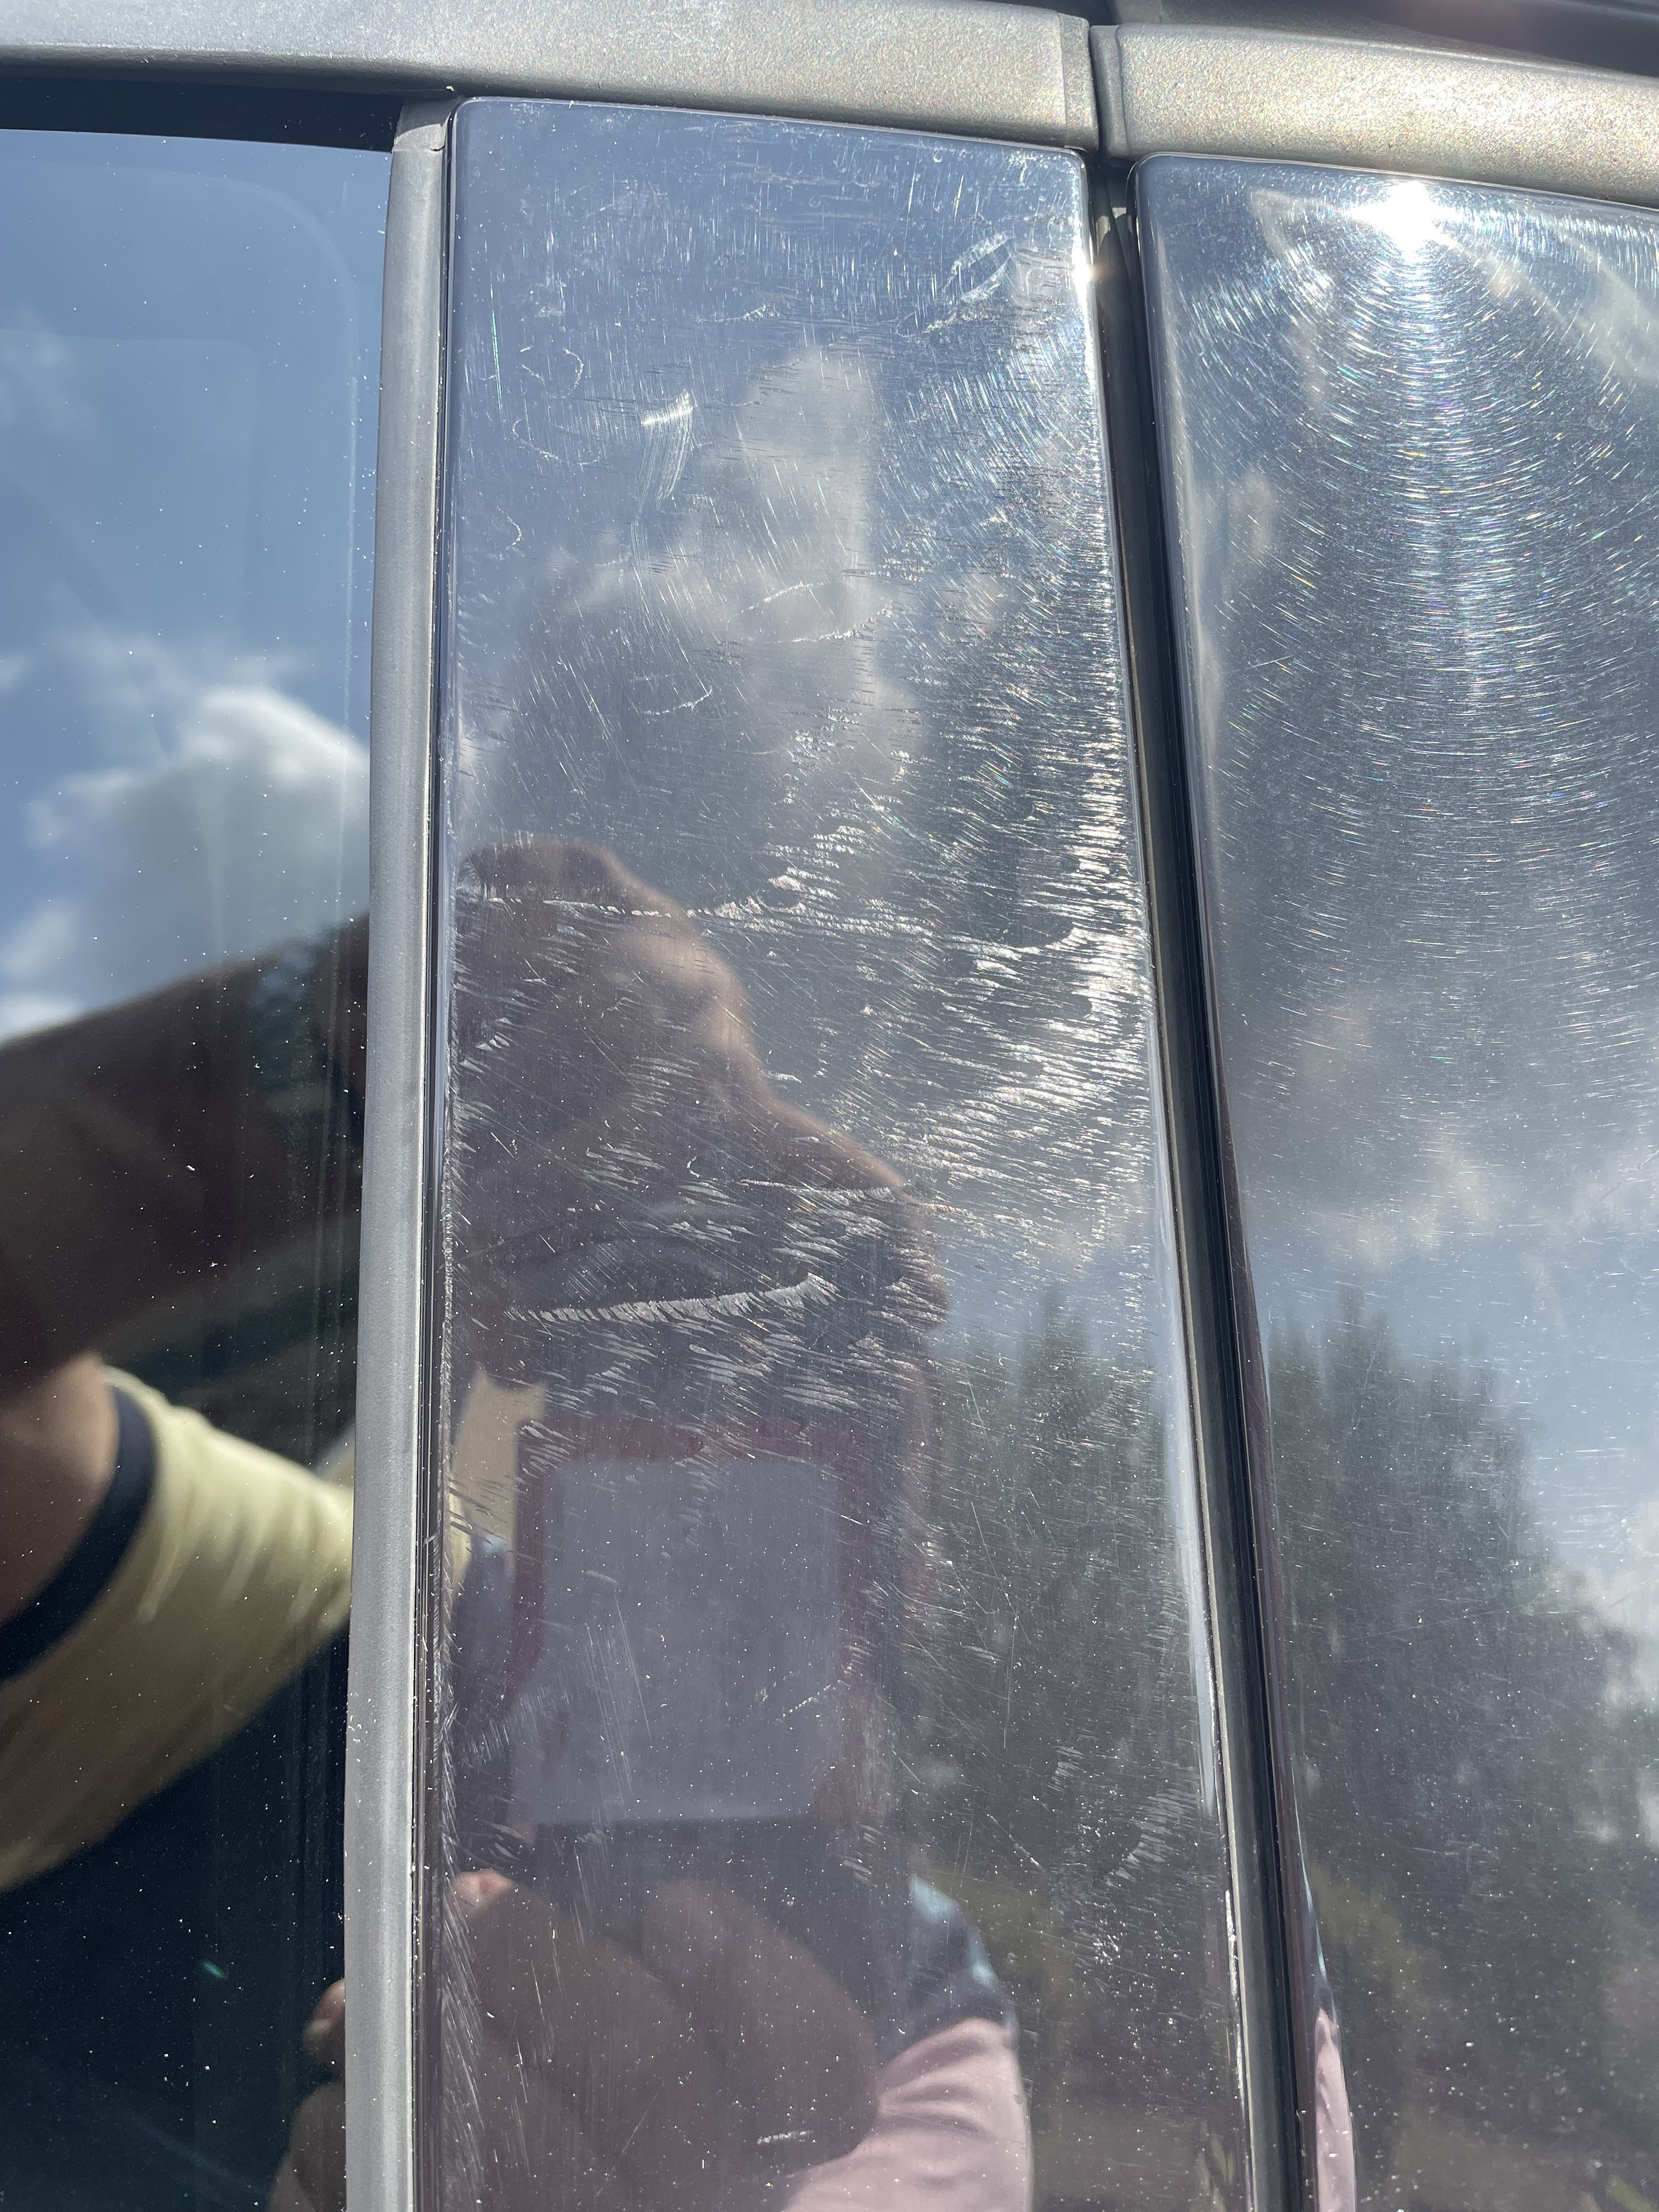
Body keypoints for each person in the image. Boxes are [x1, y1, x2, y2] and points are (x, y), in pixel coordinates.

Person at [0, 840, 1031, 2211]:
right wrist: (345, 1053)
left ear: (909, 1592)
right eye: (650, 1419)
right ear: (542, 1478)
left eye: (793, 1514)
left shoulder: (917, 2057)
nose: (700, 1524)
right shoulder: (345, 1635)